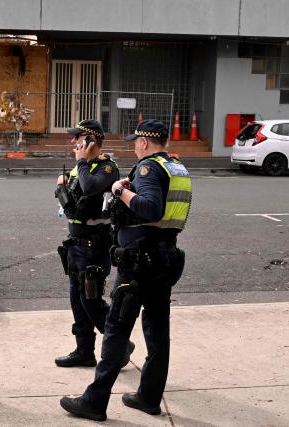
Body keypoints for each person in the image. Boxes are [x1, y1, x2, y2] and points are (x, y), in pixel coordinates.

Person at [60, 119, 192, 422]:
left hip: (139, 261)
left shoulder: (148, 168)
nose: (134, 146)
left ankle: (94, 402)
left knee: (117, 331)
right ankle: (148, 397)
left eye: (136, 141)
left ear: (145, 142)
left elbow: (150, 208)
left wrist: (121, 192)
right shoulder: (177, 167)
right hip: (165, 254)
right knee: (158, 332)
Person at [54, 119, 135, 369]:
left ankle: (119, 344)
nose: (73, 142)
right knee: (77, 300)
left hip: (93, 245)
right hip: (76, 245)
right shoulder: (82, 168)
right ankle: (83, 350)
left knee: (90, 299)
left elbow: (90, 188)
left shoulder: (106, 168)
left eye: (78, 138)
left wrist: (82, 161)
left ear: (89, 141)